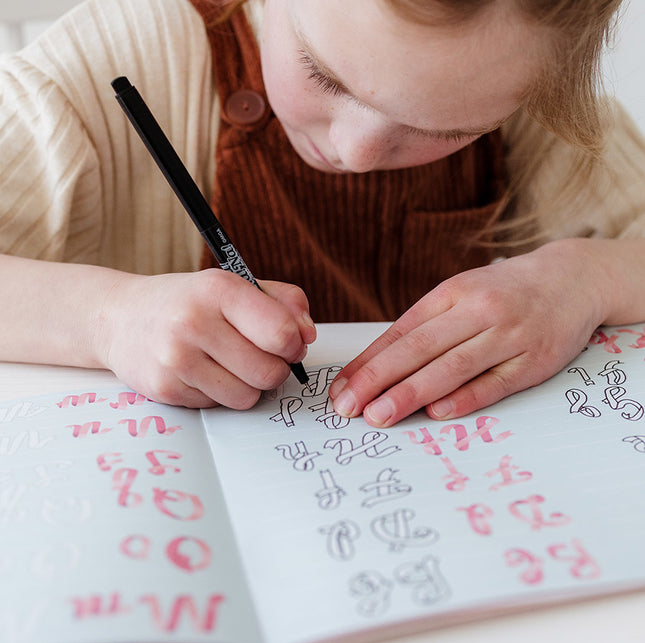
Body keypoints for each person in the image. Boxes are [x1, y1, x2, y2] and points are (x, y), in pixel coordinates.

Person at [0, 0, 644, 428]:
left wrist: (587, 277)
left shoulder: (520, 69)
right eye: (324, 75)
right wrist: (106, 319)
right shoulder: (111, 57)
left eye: (446, 128)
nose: (356, 153)